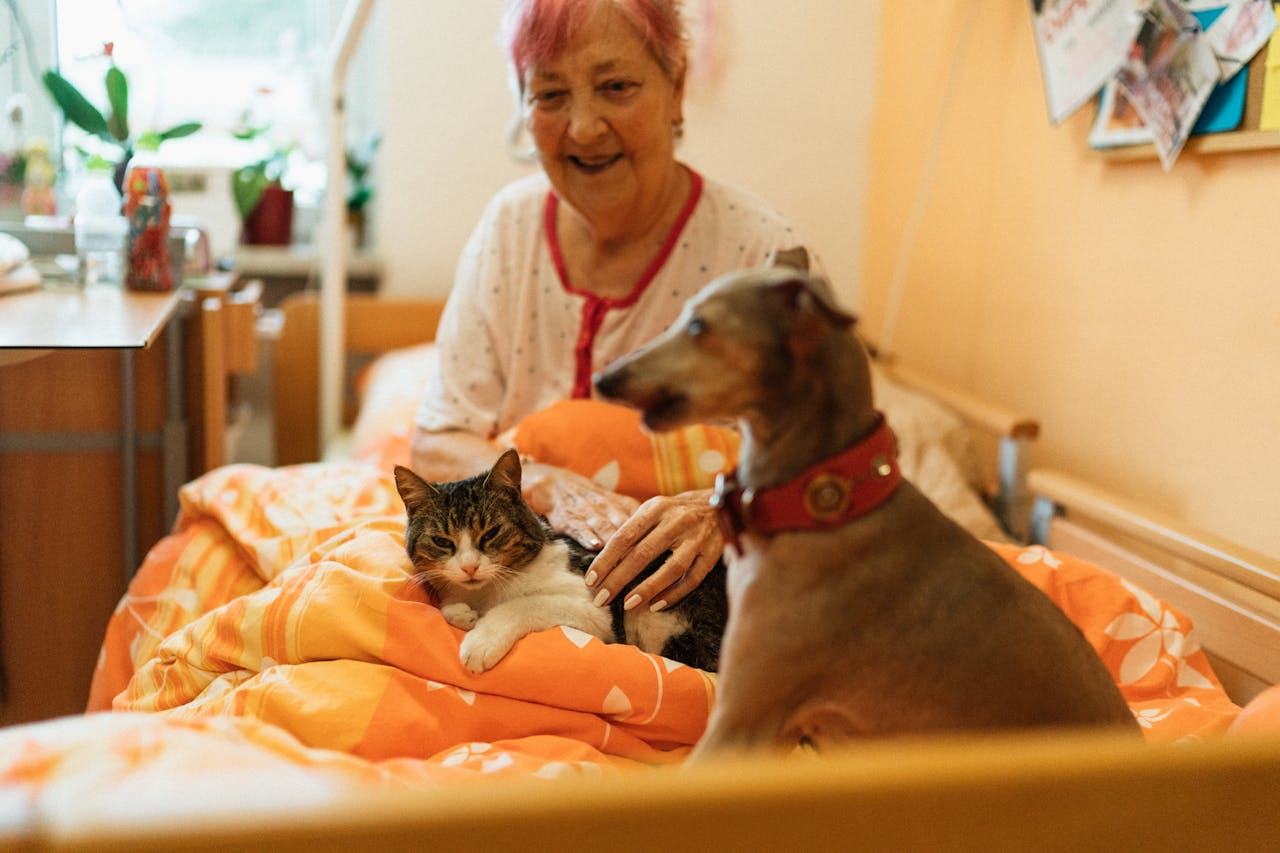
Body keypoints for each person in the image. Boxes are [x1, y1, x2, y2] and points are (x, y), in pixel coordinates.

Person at [411, 0, 821, 614]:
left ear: (675, 87)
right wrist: (549, 485)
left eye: (617, 86)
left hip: (692, 602)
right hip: (515, 589)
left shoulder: (760, 251)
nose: (582, 128)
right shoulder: (508, 230)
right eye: (549, 95)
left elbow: (824, 464)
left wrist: (719, 508)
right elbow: (439, 438)